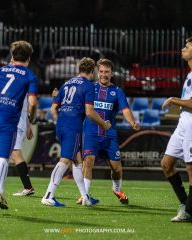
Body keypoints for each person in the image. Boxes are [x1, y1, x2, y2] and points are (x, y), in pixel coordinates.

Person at [41, 57, 111, 207]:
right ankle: (48, 195)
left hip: (61, 124)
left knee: (77, 161)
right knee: (65, 160)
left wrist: (60, 120)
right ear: (92, 71)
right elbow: (90, 112)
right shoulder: (88, 86)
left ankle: (85, 197)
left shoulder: (66, 83)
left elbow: (53, 109)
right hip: (73, 126)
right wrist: (103, 124)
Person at [0, 40, 38, 216]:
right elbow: (33, 103)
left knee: (5, 155)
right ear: (28, 59)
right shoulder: (29, 75)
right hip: (8, 120)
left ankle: (1, 194)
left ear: (12, 56)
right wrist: (31, 119)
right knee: (3, 158)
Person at [77, 58, 140, 205]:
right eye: (101, 71)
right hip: (91, 133)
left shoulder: (117, 92)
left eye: (107, 72)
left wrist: (132, 122)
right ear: (97, 73)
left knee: (116, 167)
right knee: (88, 161)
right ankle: (85, 195)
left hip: (109, 135)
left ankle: (116, 189)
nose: (104, 74)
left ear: (112, 74)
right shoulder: (89, 88)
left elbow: (125, 109)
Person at [161, 36, 192, 223]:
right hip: (184, 124)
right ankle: (185, 203)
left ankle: (188, 212)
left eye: (187, 47)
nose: (183, 49)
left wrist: (173, 100)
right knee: (166, 164)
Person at [11, 97, 35, 196]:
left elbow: (31, 104)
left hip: (15, 123)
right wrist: (28, 125)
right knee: (8, 154)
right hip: (18, 123)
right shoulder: (22, 85)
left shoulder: (17, 83)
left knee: (15, 153)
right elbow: (26, 109)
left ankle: (28, 187)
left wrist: (28, 124)